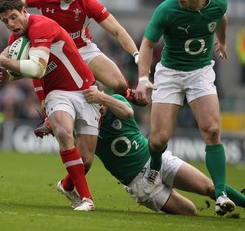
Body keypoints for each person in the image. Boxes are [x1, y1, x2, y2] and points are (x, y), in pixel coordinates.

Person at [0, 0, 145, 138]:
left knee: (118, 83)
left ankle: (128, 94)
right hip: (51, 49)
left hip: (82, 49)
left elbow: (117, 30)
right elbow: (9, 3)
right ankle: (49, 115)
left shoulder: (87, 2)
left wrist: (136, 55)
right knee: (37, 65)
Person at [135, 0, 236, 215]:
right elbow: (147, 44)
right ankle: (155, 167)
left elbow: (221, 17)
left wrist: (222, 41)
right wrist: (142, 79)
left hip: (200, 72)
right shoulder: (167, 10)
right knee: (159, 140)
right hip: (170, 74)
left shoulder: (218, 1)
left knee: (212, 130)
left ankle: (221, 195)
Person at [0, 0, 100, 211]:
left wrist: (5, 62)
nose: (11, 24)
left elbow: (37, 69)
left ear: (25, 11)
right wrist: (10, 76)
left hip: (85, 89)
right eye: (5, 21)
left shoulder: (41, 25)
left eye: (14, 17)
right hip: (58, 93)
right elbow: (30, 71)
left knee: (86, 160)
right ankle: (87, 199)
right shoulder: (15, 41)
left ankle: (67, 185)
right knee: (63, 132)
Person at [81, 86, 245, 215]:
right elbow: (79, 151)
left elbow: (128, 112)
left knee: (210, 188)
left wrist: (102, 98)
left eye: (97, 100)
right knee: (190, 211)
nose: (98, 106)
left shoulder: (114, 101)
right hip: (141, 184)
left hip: (156, 160)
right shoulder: (84, 126)